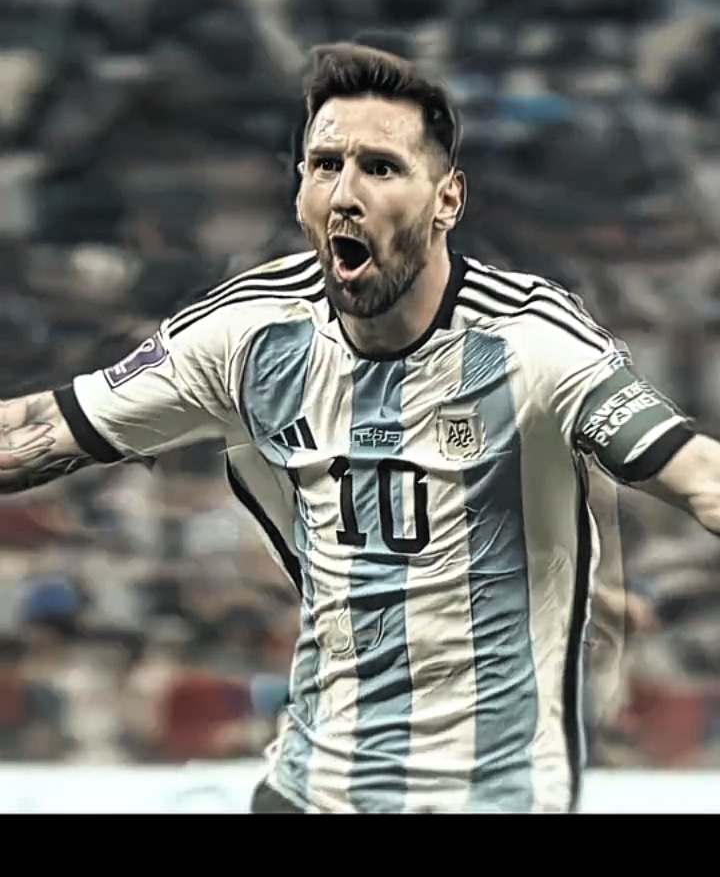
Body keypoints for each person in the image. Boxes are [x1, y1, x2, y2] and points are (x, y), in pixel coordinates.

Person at [0, 41, 715, 814]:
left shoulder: (530, 341)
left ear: (447, 198)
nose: (345, 194)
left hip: (487, 796)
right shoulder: (248, 335)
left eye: (380, 167)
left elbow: (696, 472)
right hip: (312, 788)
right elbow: (39, 431)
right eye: (324, 165)